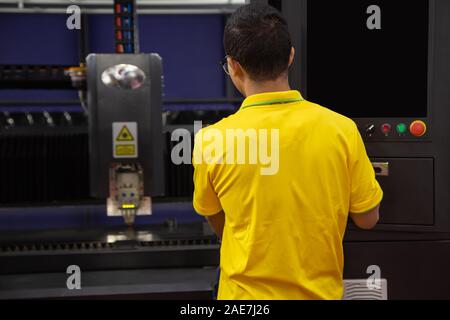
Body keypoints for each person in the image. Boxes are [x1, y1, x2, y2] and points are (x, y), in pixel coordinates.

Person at [192, 3, 383, 300]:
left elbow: (217, 220)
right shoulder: (342, 130)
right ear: (291, 55)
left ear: (233, 66)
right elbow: (367, 219)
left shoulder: (211, 140)